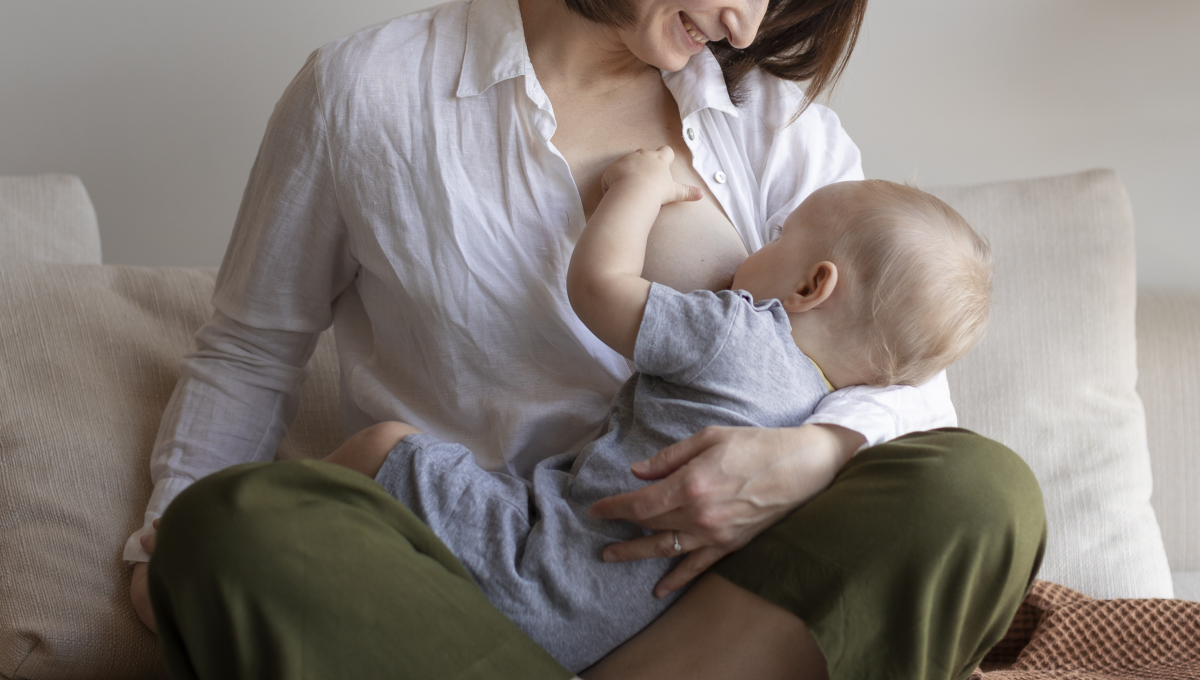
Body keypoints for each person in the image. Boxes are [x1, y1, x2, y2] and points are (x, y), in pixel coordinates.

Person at [128, 0, 1047, 678]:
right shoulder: (366, 95)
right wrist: (164, 532)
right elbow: (252, 350)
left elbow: (906, 378)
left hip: (724, 584)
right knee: (226, 528)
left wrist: (808, 457)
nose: (741, 24)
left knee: (982, 488)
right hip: (465, 576)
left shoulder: (768, 118)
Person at [320, 147, 996, 672]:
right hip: (626, 629)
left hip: (532, 567)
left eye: (779, 235)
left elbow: (597, 285)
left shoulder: (734, 335)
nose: (755, 247)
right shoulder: (822, 414)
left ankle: (289, 515)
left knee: (384, 445)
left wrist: (639, 187)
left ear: (811, 285)